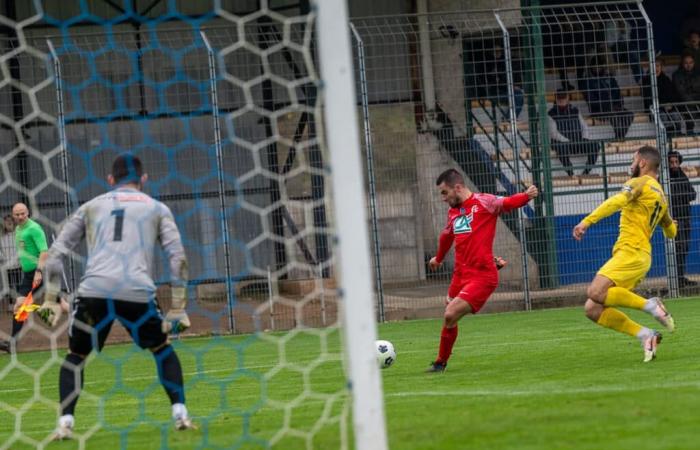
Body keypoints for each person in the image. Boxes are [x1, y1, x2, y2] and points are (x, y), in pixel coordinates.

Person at [36, 153, 195, 439]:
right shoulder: (157, 208)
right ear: (143, 179)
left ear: (110, 180)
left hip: (94, 291)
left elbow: (55, 255)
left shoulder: (91, 207)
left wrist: (50, 298)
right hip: (136, 290)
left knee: (76, 355)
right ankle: (181, 414)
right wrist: (179, 307)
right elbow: (178, 258)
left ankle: (65, 423)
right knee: (162, 349)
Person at [425, 169, 538, 372]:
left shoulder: (484, 202)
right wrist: (439, 258)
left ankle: (440, 363)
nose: (443, 198)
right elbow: (447, 237)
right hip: (460, 275)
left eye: (444, 193)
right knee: (449, 317)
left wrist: (526, 196)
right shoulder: (454, 211)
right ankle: (440, 363)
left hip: (482, 276)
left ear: (457, 187)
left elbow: (507, 203)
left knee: (450, 314)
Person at [572, 146, 677, 363]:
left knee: (595, 291)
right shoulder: (661, 195)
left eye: (633, 159)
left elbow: (617, 201)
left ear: (642, 163)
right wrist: (672, 225)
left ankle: (651, 305)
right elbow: (671, 231)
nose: (631, 163)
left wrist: (587, 221)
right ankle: (646, 335)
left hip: (632, 251)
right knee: (593, 309)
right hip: (641, 257)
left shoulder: (640, 183)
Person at [0, 203, 48, 353]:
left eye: (23, 213)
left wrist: (39, 272)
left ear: (28, 213)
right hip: (28, 274)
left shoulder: (34, 228)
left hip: (38, 272)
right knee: (20, 307)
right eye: (17, 214)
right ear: (13, 215)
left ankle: (12, 345)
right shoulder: (18, 229)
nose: (20, 216)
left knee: (20, 306)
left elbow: (44, 251)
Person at [580, 54, 634, 140]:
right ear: (591, 68)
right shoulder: (588, 81)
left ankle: (620, 136)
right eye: (595, 67)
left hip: (614, 107)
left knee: (629, 115)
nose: (597, 69)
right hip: (598, 110)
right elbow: (592, 100)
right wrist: (607, 105)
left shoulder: (609, 78)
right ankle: (619, 136)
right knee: (613, 115)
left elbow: (618, 93)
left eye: (599, 67)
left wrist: (618, 104)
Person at [548, 90, 598, 177]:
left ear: (567, 98)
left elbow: (584, 126)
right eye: (559, 98)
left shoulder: (575, 110)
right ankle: (570, 173)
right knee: (561, 148)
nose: (562, 100)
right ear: (556, 99)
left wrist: (584, 138)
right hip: (562, 143)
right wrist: (567, 141)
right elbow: (553, 133)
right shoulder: (550, 113)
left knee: (595, 146)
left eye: (563, 97)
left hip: (577, 141)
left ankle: (586, 172)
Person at [668, 151, 697, 288]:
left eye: (676, 162)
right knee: (677, 248)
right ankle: (676, 279)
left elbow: (693, 194)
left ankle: (680, 277)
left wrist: (678, 195)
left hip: (686, 217)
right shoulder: (666, 177)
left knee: (684, 247)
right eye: (672, 162)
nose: (674, 165)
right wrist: (681, 195)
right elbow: (668, 198)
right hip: (674, 220)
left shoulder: (681, 175)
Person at [641, 57, 682, 136]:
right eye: (654, 66)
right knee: (663, 117)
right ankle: (667, 136)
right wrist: (663, 106)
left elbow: (673, 95)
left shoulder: (666, 79)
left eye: (658, 66)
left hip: (667, 107)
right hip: (654, 108)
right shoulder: (646, 81)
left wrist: (670, 104)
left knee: (676, 115)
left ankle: (677, 134)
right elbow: (649, 99)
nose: (656, 68)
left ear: (661, 67)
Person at [672, 52, 700, 135]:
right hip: (684, 103)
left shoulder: (698, 73)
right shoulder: (676, 75)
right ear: (682, 63)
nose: (689, 65)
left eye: (691, 62)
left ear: (694, 63)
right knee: (689, 112)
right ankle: (690, 135)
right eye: (686, 63)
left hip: (697, 101)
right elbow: (681, 92)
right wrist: (693, 102)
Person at [0, 214, 22, 311]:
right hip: (6, 265)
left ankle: (19, 303)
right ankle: (10, 305)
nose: (9, 222)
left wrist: (18, 257)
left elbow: (21, 247)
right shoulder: (1, 236)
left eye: (10, 220)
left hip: (17, 264)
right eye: (6, 221)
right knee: (7, 286)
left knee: (17, 284)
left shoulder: (17, 234)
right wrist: (3, 258)